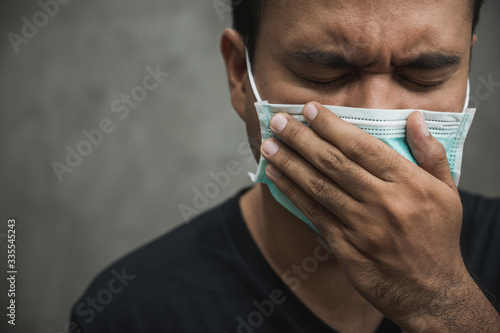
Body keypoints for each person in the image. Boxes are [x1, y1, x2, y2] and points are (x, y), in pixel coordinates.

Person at [69, 0, 500, 332]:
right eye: (324, 73)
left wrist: (441, 303)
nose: (373, 124)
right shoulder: (133, 312)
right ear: (240, 74)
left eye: (424, 77)